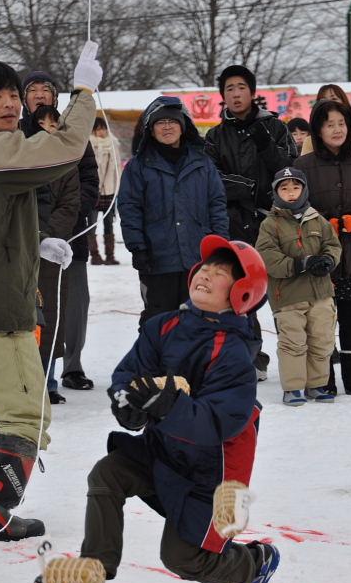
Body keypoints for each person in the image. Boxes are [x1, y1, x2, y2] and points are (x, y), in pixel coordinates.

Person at [33, 235, 279, 583]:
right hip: (165, 450)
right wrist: (128, 405)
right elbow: (128, 374)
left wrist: (168, 406)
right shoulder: (163, 326)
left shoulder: (234, 354)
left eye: (220, 273)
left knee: (182, 558)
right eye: (205, 267)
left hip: (211, 474)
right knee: (109, 473)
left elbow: (220, 421)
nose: (206, 274)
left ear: (241, 294)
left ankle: (253, 565)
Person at [0, 43, 102, 541]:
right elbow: (64, 150)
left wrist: (38, 242)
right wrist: (84, 93)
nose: (11, 103)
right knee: (28, 411)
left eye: (13, 94)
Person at [205, 64, 297, 380]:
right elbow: (212, 178)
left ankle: (297, 356)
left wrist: (266, 146)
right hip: (236, 223)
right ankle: (252, 358)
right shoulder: (215, 136)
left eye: (241, 87)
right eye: (229, 88)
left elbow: (290, 172)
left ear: (253, 92)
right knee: (241, 294)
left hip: (276, 223)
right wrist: (249, 188)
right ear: (223, 95)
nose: (235, 94)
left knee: (285, 294)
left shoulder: (275, 128)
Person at [295, 100, 351, 394]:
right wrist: (323, 224)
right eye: (329, 124)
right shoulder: (302, 166)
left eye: (342, 124)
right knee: (320, 321)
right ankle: (324, 381)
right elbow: (294, 207)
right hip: (319, 259)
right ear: (318, 130)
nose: (337, 130)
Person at [118, 96, 229, 328]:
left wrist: (219, 245)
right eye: (160, 122)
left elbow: (217, 204)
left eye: (172, 121)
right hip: (157, 259)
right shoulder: (139, 166)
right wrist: (138, 248)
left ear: (183, 125)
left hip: (198, 258)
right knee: (159, 322)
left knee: (199, 320)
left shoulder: (202, 163)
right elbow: (130, 208)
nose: (167, 127)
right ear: (151, 129)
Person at [21, 70, 99, 392]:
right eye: (33, 90)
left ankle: (70, 367)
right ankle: (31, 378)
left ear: (56, 98)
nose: (40, 94)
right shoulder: (14, 136)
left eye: (46, 89)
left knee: (70, 307)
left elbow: (89, 181)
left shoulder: (73, 135)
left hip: (69, 239)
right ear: (24, 99)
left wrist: (67, 221)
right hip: (22, 242)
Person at [256, 168, 341, 405]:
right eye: (284, 188)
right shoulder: (270, 224)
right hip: (288, 296)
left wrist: (328, 260)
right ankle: (293, 387)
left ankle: (317, 384)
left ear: (304, 190)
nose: (291, 193)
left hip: (320, 293)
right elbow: (268, 257)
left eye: (295, 187)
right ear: (276, 192)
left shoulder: (318, 220)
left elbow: (333, 245)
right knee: (293, 342)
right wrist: (300, 264)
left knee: (322, 339)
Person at [33, 105, 81, 405]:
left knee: (50, 316)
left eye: (54, 124)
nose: (48, 129)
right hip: (16, 248)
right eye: (41, 124)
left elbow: (70, 204)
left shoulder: (67, 165)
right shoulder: (20, 159)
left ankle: (48, 381)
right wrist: (30, 236)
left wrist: (47, 236)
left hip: (52, 251)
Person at [300, 84, 351, 155]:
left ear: (344, 102)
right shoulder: (310, 141)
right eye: (324, 100)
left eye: (334, 99)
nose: (329, 104)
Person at [90, 116, 122, 265]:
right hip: (93, 191)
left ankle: (110, 255)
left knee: (109, 224)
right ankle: (94, 255)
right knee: (92, 224)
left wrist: (117, 188)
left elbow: (118, 167)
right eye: (98, 129)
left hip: (109, 190)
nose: (101, 132)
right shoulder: (89, 144)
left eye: (103, 129)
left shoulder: (113, 144)